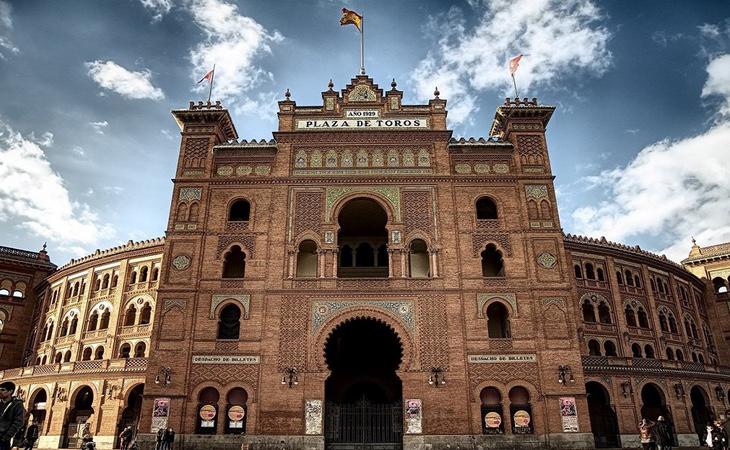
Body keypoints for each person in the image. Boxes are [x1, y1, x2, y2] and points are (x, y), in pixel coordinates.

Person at [0, 382, 25, 450]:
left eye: (3, 390)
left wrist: (6, 437)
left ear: (10, 391)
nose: (0, 392)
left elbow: (19, 422)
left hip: (2, 441)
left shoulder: (17, 404)